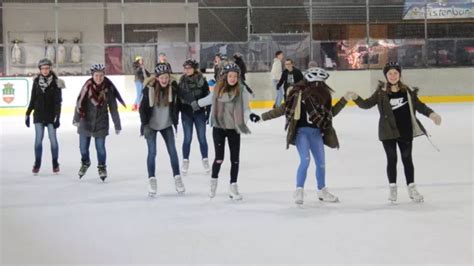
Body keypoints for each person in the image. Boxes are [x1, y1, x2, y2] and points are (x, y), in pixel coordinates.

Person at [252, 67, 352, 205]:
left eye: (320, 83)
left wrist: (344, 100)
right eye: (315, 83)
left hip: (316, 133)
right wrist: (262, 117)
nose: (318, 86)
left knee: (321, 163)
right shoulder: (297, 94)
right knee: (305, 160)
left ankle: (322, 190)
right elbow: (283, 109)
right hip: (301, 133)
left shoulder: (325, 96)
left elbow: (331, 113)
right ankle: (299, 190)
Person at [347, 62, 442, 203]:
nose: (392, 76)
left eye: (395, 73)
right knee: (392, 159)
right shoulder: (381, 92)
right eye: (389, 73)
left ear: (400, 74)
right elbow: (366, 104)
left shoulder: (408, 91)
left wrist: (432, 114)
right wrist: (356, 98)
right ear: (386, 75)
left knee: (407, 159)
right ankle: (393, 189)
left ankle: (412, 188)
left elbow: (420, 105)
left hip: (405, 131)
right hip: (388, 132)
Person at [197, 63, 257, 200]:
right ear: (225, 77)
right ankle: (213, 181)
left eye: (235, 76)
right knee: (219, 158)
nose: (233, 78)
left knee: (235, 159)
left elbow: (246, 108)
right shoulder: (217, 90)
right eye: (230, 76)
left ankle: (233, 186)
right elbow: (207, 100)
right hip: (219, 128)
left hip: (234, 128)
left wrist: (251, 115)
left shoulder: (241, 91)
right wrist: (195, 104)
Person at [73, 63, 126, 182]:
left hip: (101, 123)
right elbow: (79, 103)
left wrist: (117, 124)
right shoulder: (87, 87)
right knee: (83, 149)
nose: (99, 78)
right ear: (92, 75)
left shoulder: (108, 89)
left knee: (100, 148)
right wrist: (76, 118)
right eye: (96, 75)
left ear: (104, 75)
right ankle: (85, 162)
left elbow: (113, 108)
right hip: (85, 122)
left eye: (101, 75)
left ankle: (102, 166)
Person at [139, 63, 185, 196]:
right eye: (161, 78)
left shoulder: (174, 89)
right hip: (151, 125)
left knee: (172, 152)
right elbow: (142, 109)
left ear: (169, 77)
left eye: (166, 77)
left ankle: (177, 178)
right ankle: (152, 179)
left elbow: (184, 98)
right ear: (157, 78)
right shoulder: (149, 89)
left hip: (166, 125)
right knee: (152, 152)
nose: (164, 80)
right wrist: (145, 125)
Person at [25, 58, 64, 174]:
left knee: (53, 141)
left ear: (50, 68)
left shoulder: (57, 82)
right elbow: (33, 99)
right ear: (40, 69)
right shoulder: (36, 82)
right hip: (38, 115)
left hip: (51, 116)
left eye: (47, 68)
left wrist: (58, 117)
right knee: (38, 141)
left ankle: (55, 163)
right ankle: (37, 163)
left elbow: (58, 102)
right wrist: (28, 113)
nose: (45, 70)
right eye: (43, 68)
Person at [177, 59, 211, 175]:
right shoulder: (181, 82)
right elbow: (179, 98)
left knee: (202, 138)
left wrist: (208, 112)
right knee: (187, 138)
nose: (187, 70)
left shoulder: (202, 80)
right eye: (185, 68)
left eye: (189, 68)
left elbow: (208, 96)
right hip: (186, 113)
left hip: (199, 113)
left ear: (194, 69)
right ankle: (185, 160)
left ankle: (205, 159)